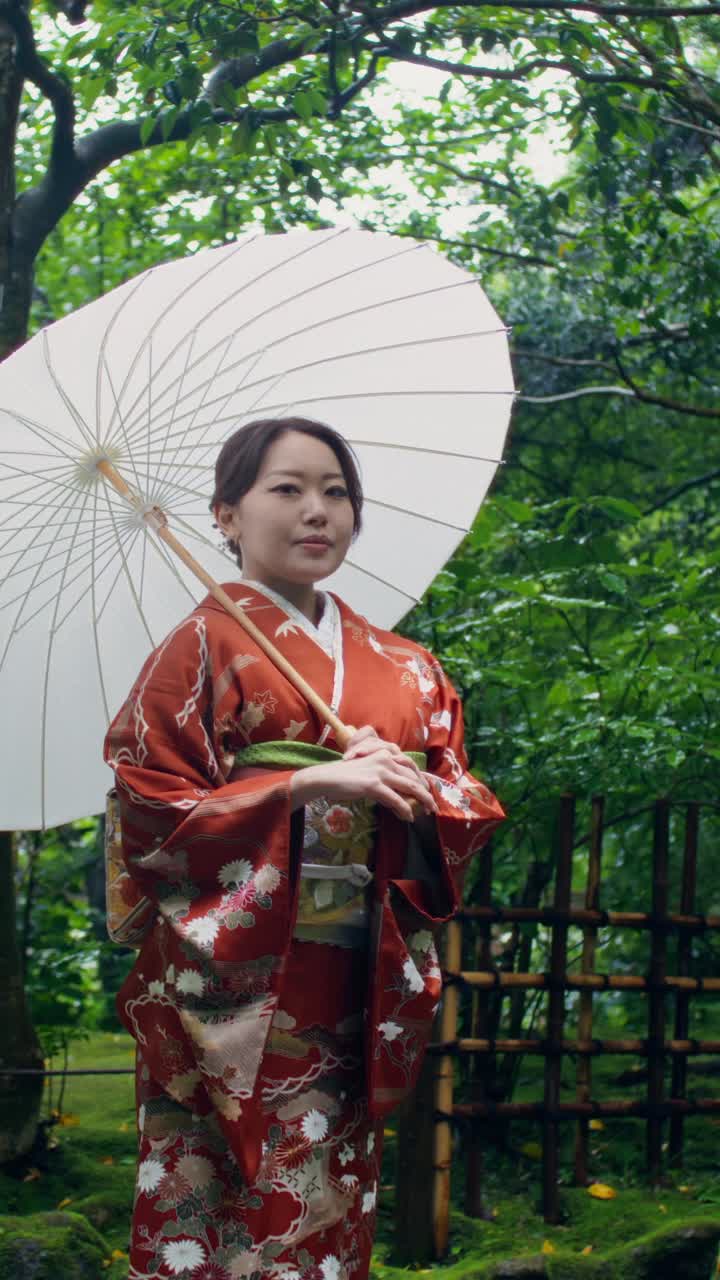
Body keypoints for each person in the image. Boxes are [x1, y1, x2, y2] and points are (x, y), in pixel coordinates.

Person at [104, 416, 504, 1280]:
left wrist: (411, 783)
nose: (317, 511)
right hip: (235, 984)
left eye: (335, 492)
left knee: (327, 1196)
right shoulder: (198, 649)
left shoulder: (408, 670)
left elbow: (467, 803)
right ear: (226, 514)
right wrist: (301, 785)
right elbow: (148, 807)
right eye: (286, 489)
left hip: (353, 973)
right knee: (212, 1197)